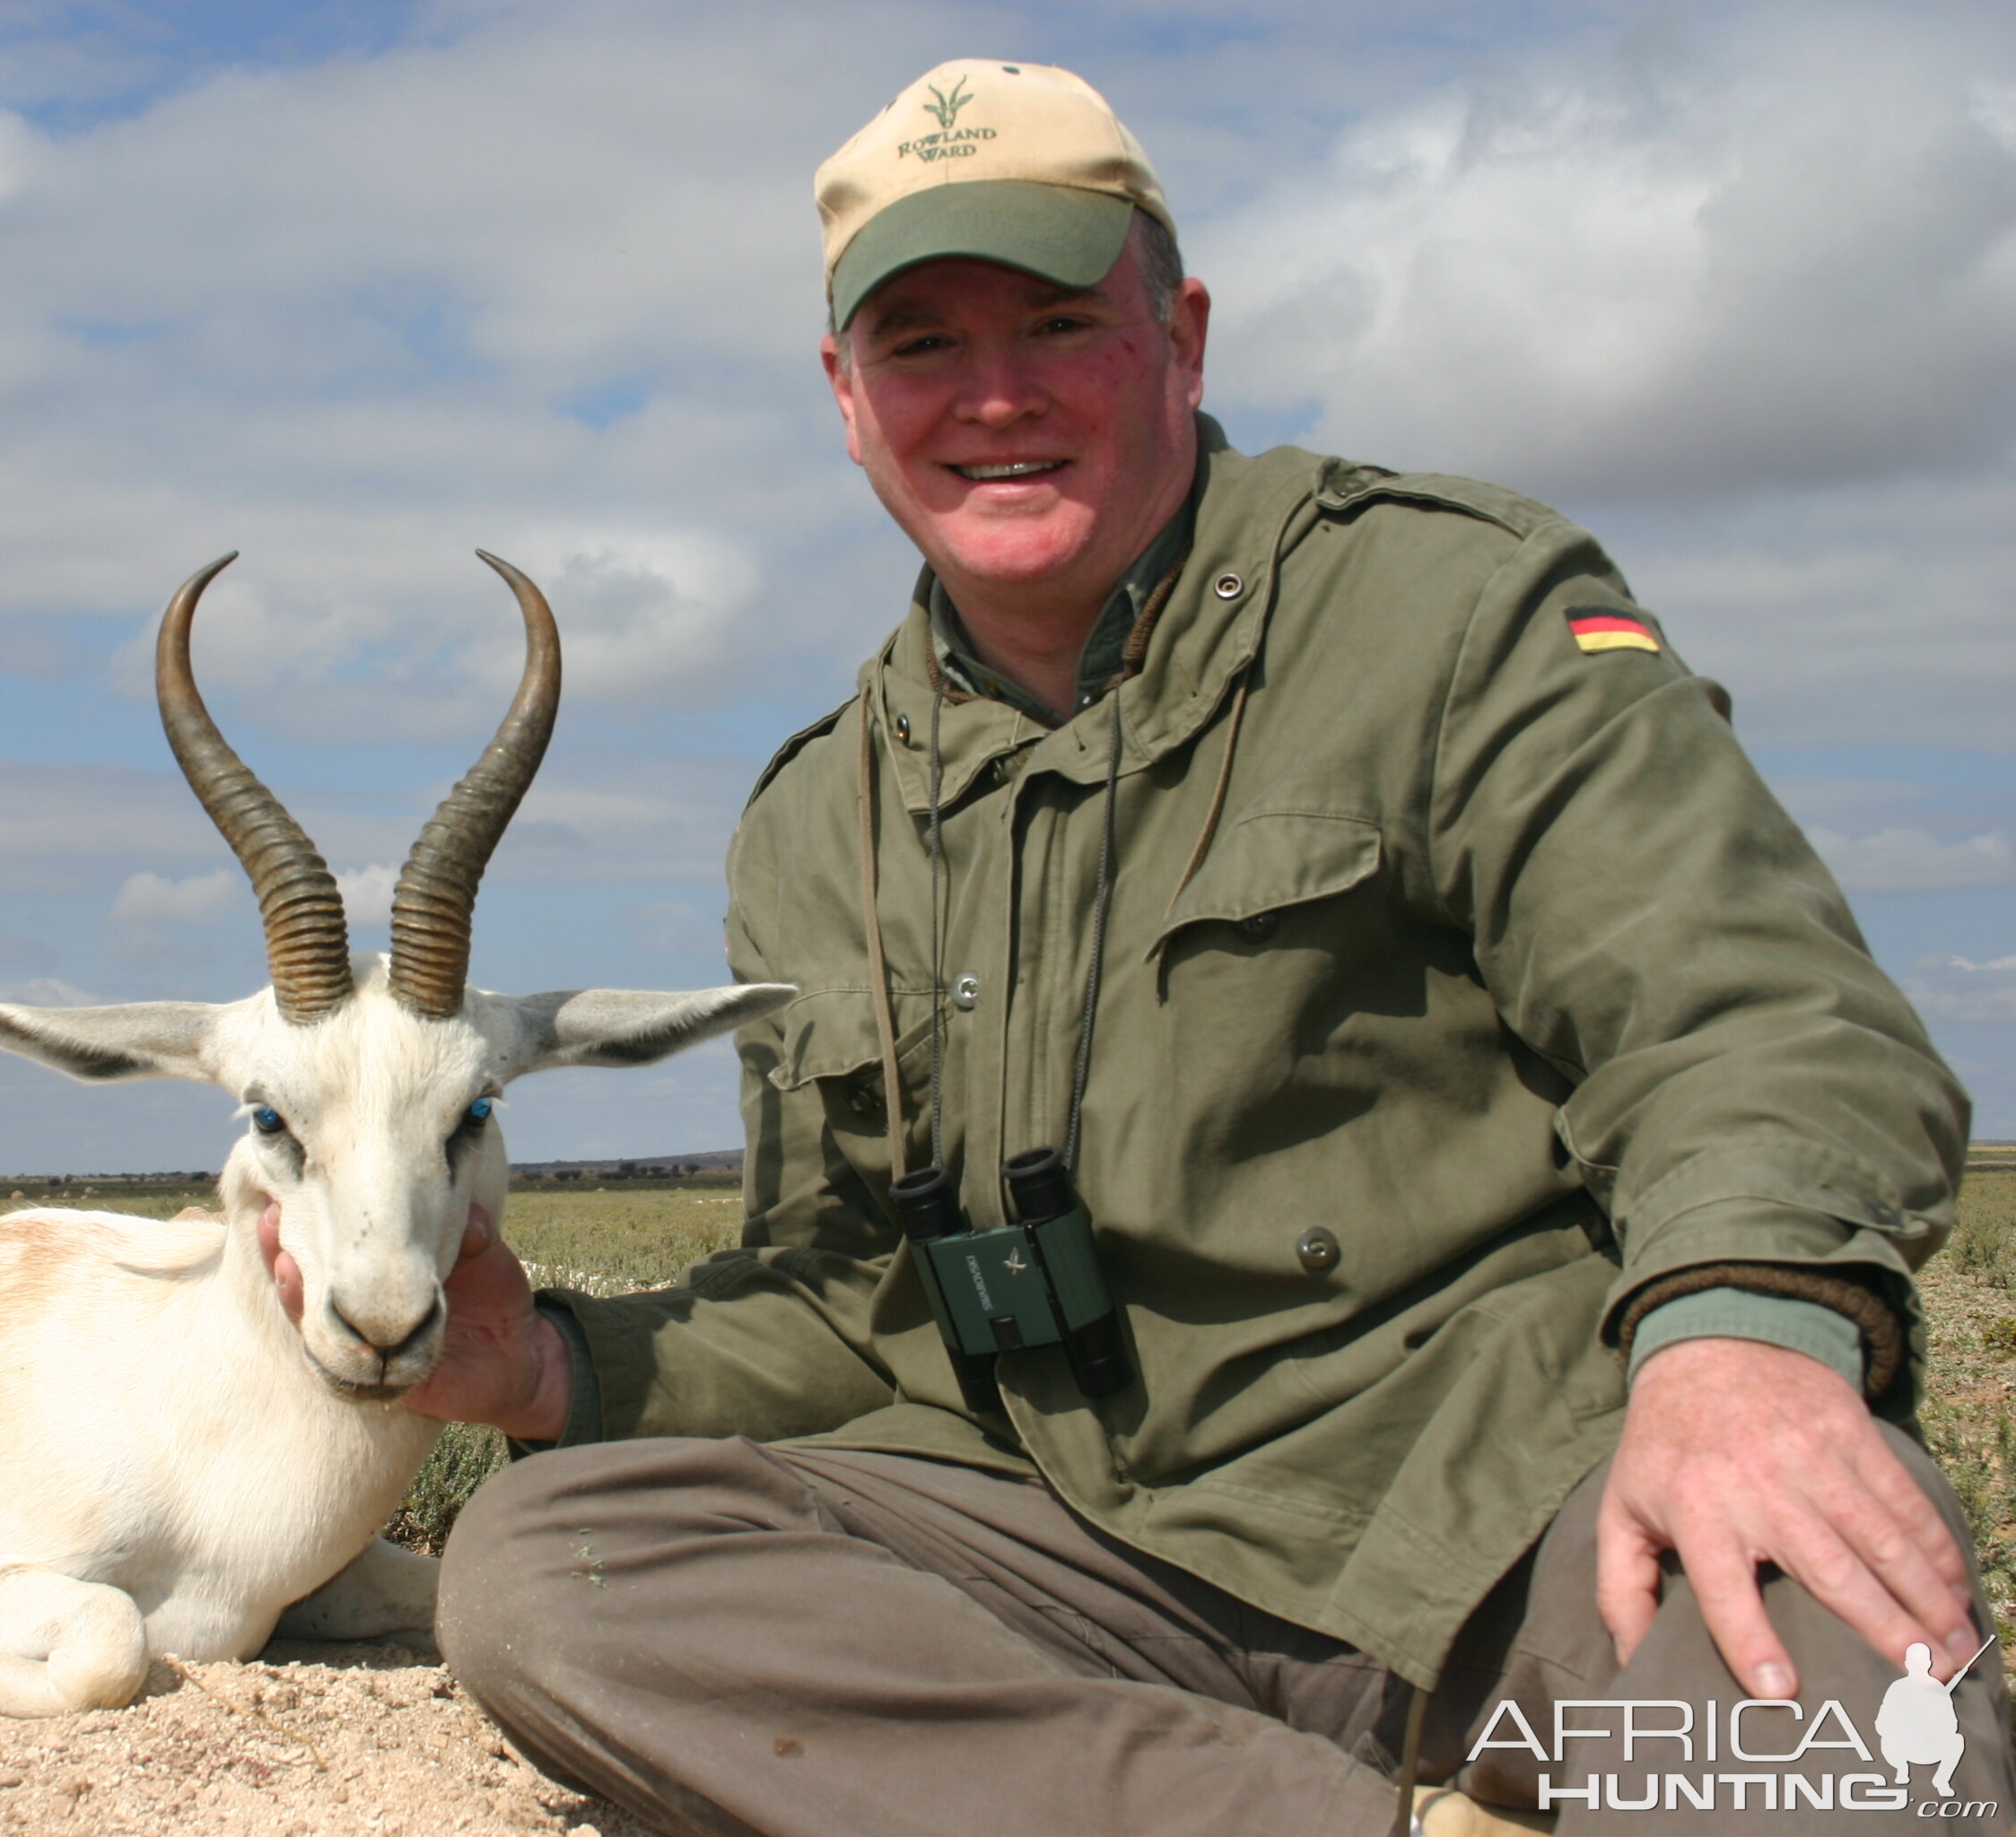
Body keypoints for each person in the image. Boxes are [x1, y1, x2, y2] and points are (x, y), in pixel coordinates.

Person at [375, 59, 2010, 1836]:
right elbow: (854, 1305)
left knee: (1855, 1778)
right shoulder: (812, 816)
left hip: (1514, 1512)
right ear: (846, 398)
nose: (993, 397)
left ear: (1183, 338)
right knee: (553, 1569)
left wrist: (1742, 1348)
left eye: (1060, 322)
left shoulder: (1458, 611)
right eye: (921, 344)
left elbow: (1754, 1017)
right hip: (1072, 1560)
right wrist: (550, 1370)